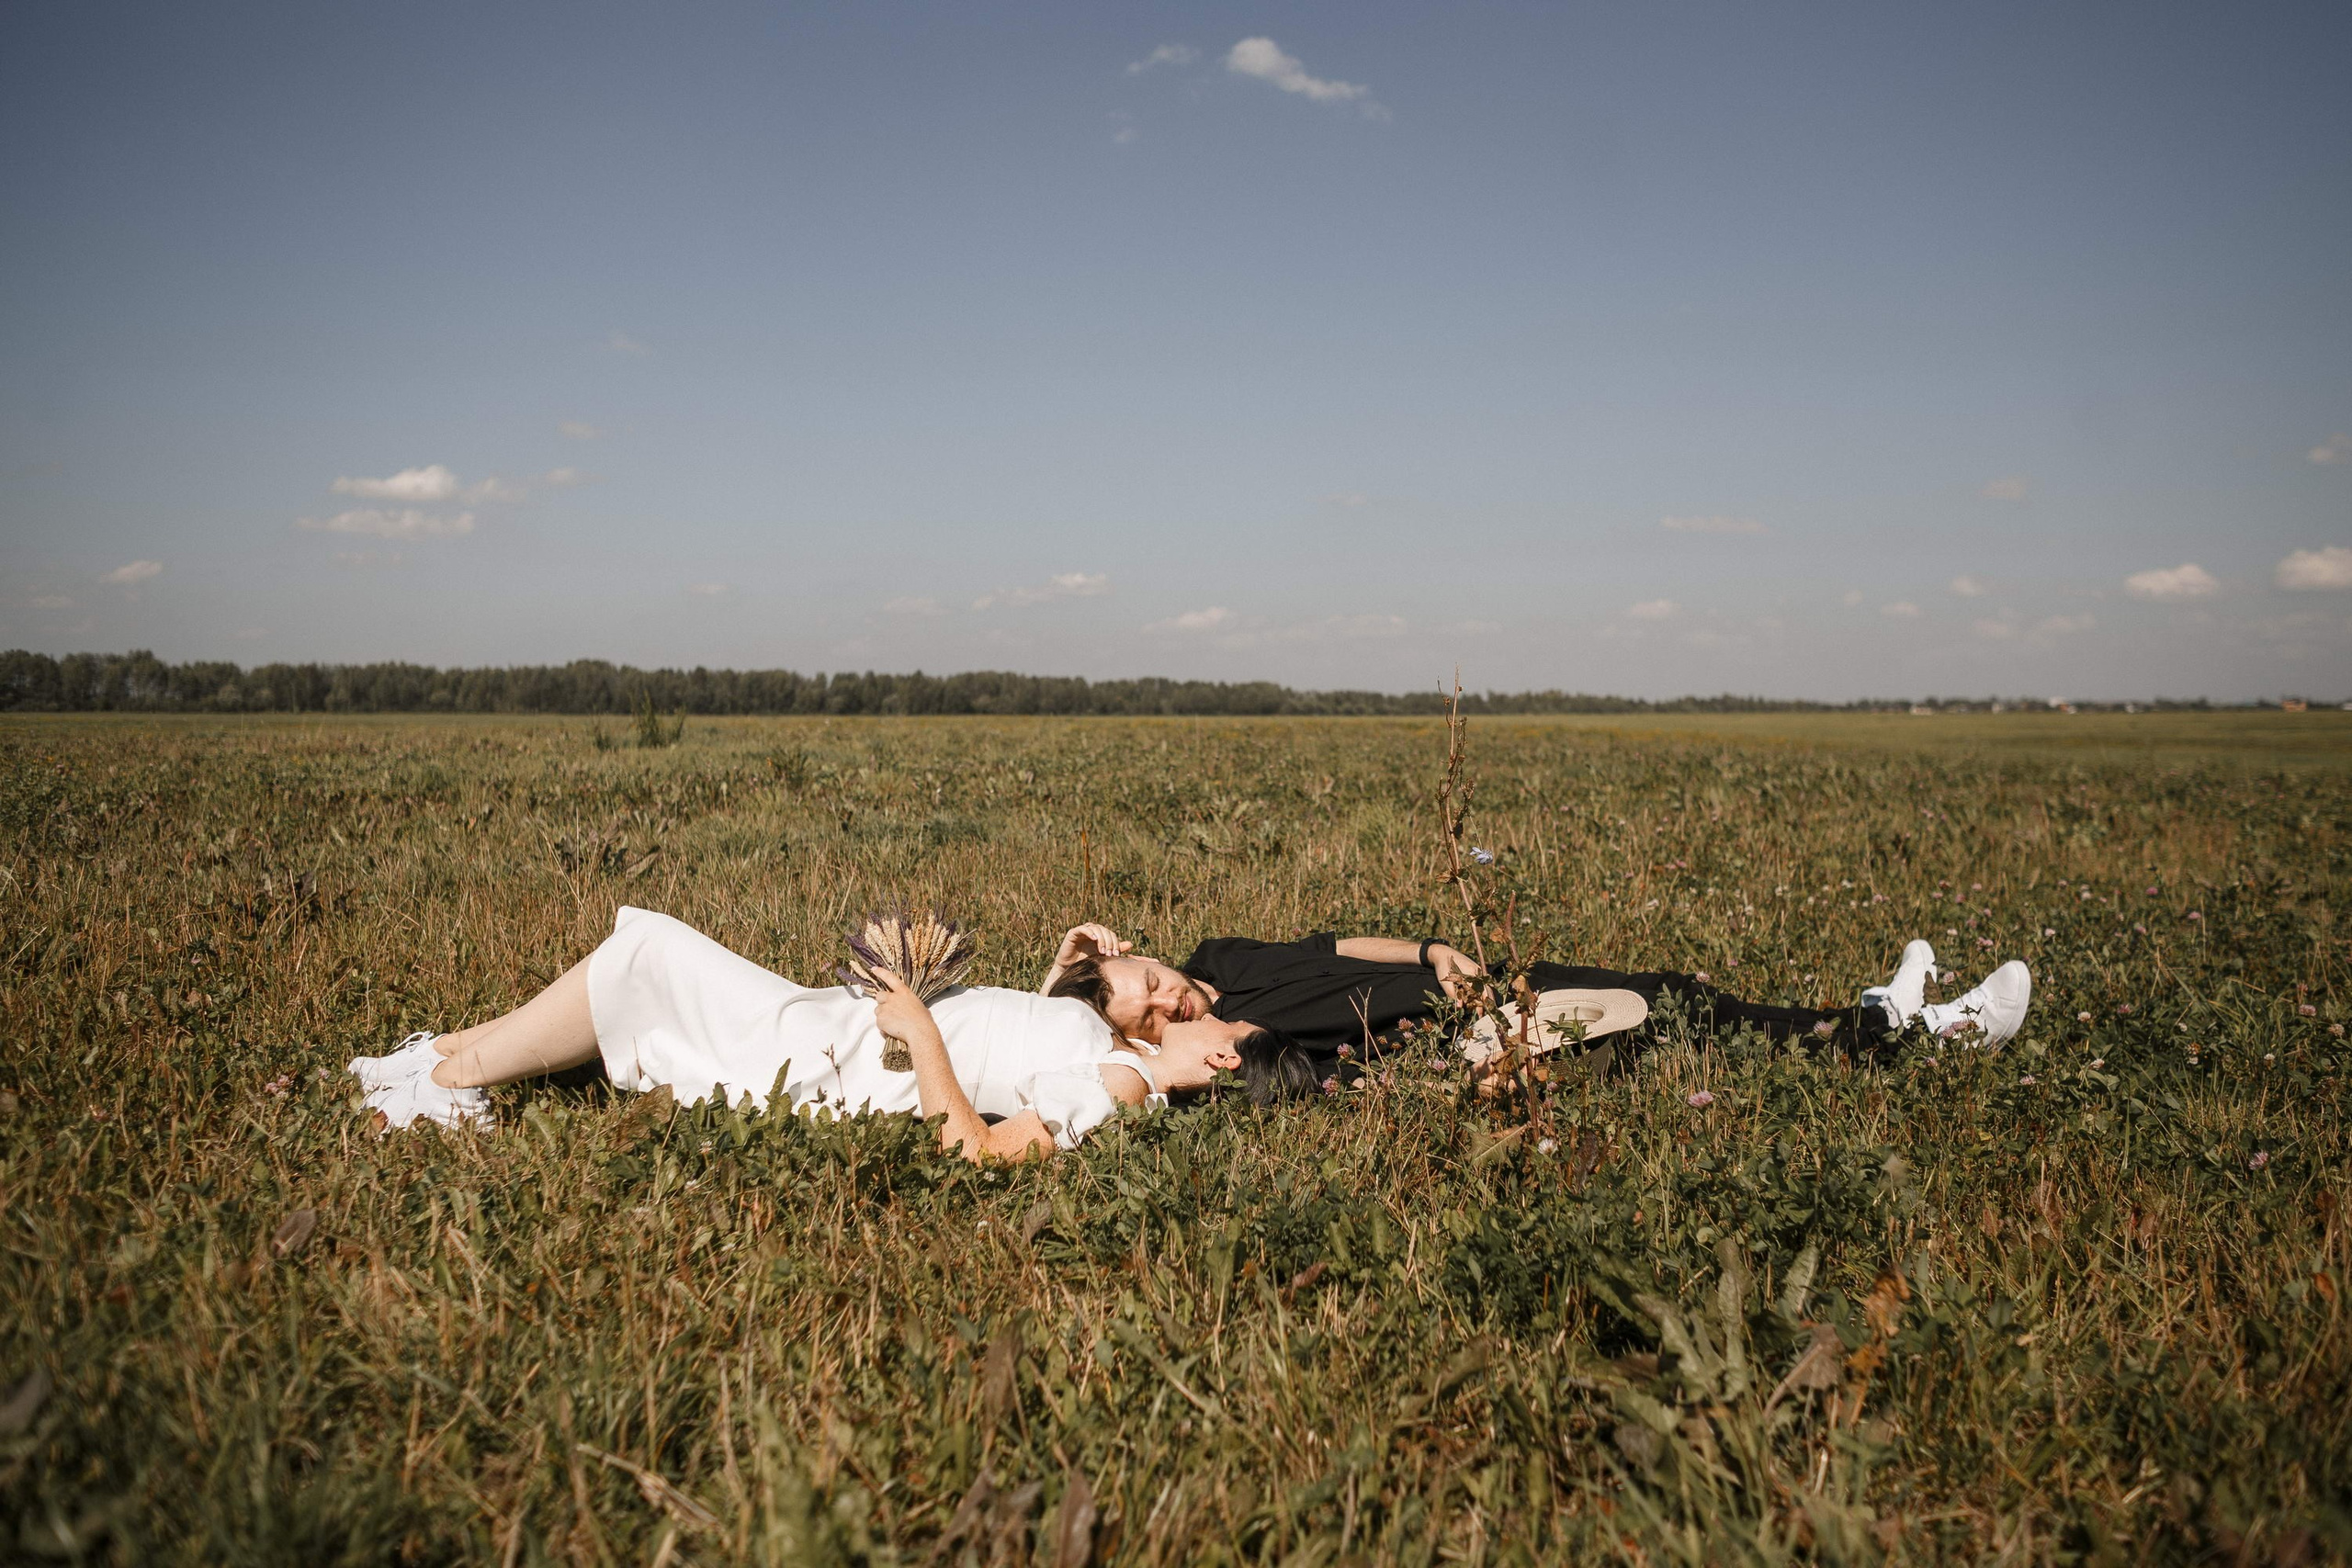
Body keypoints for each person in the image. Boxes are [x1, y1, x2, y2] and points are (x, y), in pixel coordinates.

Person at [348, 906, 1277, 1160]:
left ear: (1223, 1057)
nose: (1182, 1006)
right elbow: (1021, 1038)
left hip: (844, 1062)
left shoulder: (1120, 1086)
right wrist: (1066, 969)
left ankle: (445, 1084)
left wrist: (918, 1031)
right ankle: (430, 1059)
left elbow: (980, 1149)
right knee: (647, 957)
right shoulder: (1115, 1055)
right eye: (1154, 995)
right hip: (842, 1024)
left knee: (651, 958)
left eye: (1206, 1017)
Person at [1041, 924, 2032, 1091]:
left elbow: (1342, 947)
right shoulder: (1226, 1040)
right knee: (1676, 1024)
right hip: (1475, 1032)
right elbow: (1063, 1025)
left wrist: (1431, 947)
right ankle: (1915, 1033)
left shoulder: (1220, 956)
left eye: (1150, 976)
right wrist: (1066, 972)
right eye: (1145, 1008)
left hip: (1480, 974)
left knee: (1682, 998)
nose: (1166, 996)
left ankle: (1873, 1018)